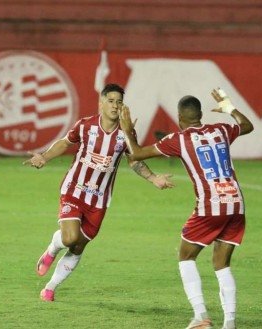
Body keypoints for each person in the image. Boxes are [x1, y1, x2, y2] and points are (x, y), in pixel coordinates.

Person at [24, 83, 174, 302]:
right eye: (111, 101)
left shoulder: (126, 134)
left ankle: (50, 287)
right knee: (70, 237)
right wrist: (44, 157)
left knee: (78, 245)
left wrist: (153, 178)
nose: (115, 106)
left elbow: (134, 161)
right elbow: (65, 143)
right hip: (74, 189)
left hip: (99, 199)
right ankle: (51, 249)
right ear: (101, 103)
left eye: (119, 102)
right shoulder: (85, 126)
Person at [119, 89, 253, 329]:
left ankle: (201, 316)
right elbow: (247, 125)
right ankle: (229, 322)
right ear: (201, 114)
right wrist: (229, 107)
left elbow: (137, 154)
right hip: (236, 202)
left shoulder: (179, 139)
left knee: (185, 256)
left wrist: (127, 130)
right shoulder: (221, 129)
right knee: (222, 264)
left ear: (180, 118)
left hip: (210, 205)